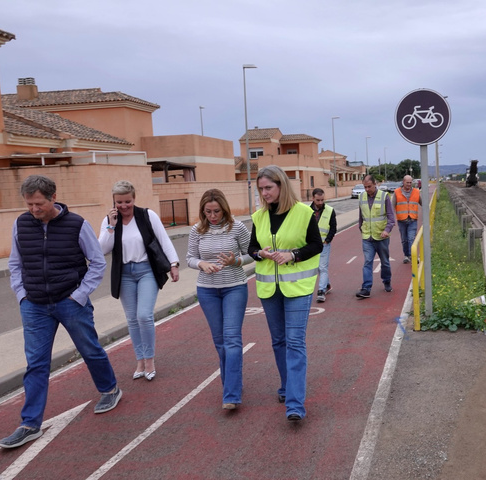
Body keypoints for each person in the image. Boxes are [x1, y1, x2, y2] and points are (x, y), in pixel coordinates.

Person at [0, 175, 122, 450]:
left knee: (89, 349)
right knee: (36, 364)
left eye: (38, 203)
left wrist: (78, 295)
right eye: (29, 204)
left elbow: (97, 263)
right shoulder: (21, 224)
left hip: (70, 302)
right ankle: (29, 424)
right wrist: (22, 296)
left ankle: (110, 389)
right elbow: (15, 263)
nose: (33, 209)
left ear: (53, 198)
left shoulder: (77, 225)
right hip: (34, 305)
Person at [248, 165, 322, 422]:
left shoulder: (304, 212)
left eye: (268, 188)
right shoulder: (259, 216)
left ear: (281, 186)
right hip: (269, 288)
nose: (264, 193)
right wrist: (261, 253)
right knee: (278, 341)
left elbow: (316, 244)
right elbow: (252, 248)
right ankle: (286, 385)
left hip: (298, 289)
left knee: (295, 342)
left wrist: (293, 255)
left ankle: (295, 404)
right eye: (261, 189)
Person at [98, 180, 179, 382]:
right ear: (113, 201)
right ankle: (140, 361)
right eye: (119, 202)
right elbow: (102, 250)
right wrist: (110, 226)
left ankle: (150, 360)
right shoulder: (109, 220)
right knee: (132, 319)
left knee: (144, 315)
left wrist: (174, 263)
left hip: (146, 271)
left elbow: (163, 239)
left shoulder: (147, 215)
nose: (123, 206)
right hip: (124, 273)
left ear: (134, 199)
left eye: (127, 201)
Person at [186, 189, 254, 410]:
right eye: (208, 212)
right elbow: (190, 258)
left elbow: (251, 253)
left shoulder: (237, 227)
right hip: (207, 290)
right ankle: (232, 383)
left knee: (232, 338)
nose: (212, 216)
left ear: (224, 209)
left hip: (234, 287)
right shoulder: (197, 230)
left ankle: (231, 394)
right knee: (220, 342)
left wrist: (236, 261)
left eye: (216, 211)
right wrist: (201, 264)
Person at [356, 174, 395, 299]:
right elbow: (361, 216)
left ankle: (387, 280)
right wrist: (361, 228)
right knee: (367, 262)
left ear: (375, 184)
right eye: (365, 187)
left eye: (369, 186)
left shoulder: (384, 196)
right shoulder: (361, 197)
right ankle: (366, 288)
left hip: (381, 237)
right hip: (367, 237)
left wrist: (387, 230)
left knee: (385, 262)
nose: (367, 189)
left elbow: (391, 218)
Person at [310, 188, 337, 303]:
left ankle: (321, 291)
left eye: (322, 200)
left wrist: (328, 240)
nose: (320, 203)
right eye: (318, 200)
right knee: (317, 267)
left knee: (322, 267)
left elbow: (333, 227)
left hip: (324, 244)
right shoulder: (306, 210)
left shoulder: (330, 210)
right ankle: (327, 284)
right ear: (313, 198)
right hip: (311, 245)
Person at [392, 175, 422, 264]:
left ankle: (413, 256)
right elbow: (392, 206)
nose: (409, 184)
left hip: (413, 220)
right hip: (401, 220)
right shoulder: (397, 192)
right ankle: (406, 255)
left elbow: (422, 203)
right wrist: (391, 219)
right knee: (404, 239)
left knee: (411, 238)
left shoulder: (416, 192)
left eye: (410, 182)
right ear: (403, 182)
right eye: (407, 182)